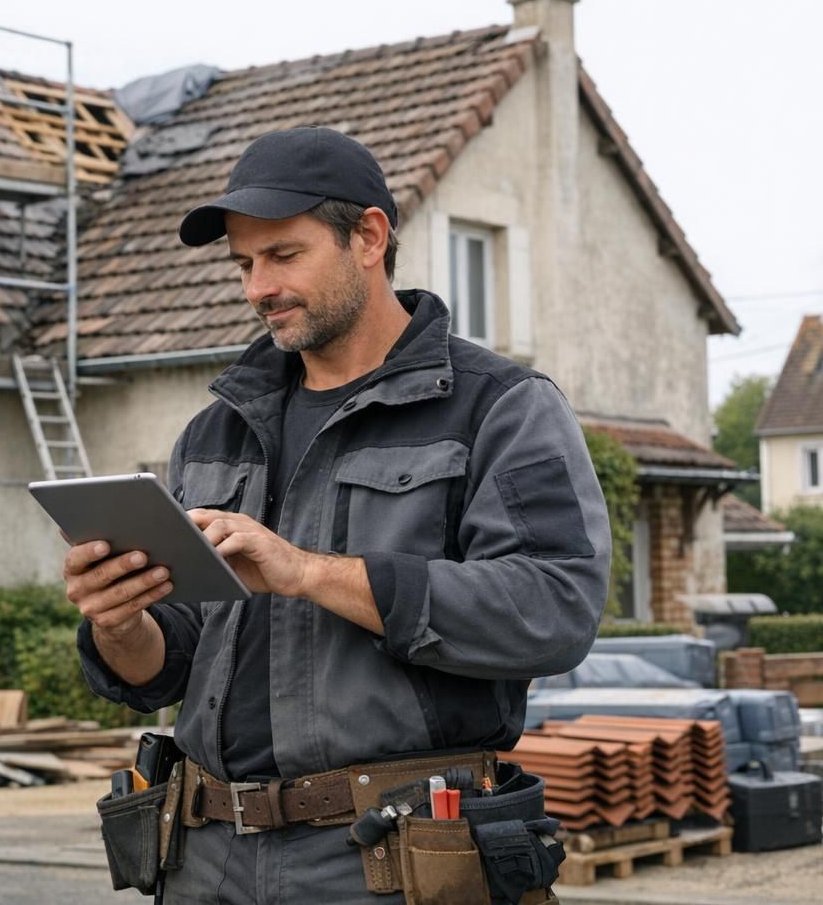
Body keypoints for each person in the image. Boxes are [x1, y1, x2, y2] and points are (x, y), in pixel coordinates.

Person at [65, 127, 610, 902]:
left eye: (283, 255)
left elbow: (554, 610)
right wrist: (122, 627)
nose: (258, 287)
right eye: (245, 264)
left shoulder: (500, 409)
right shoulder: (216, 430)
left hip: (387, 861)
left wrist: (307, 573)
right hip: (202, 857)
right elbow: (177, 660)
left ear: (369, 237)